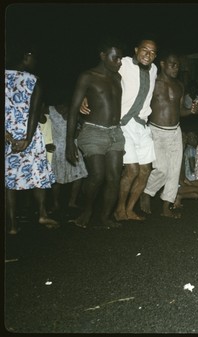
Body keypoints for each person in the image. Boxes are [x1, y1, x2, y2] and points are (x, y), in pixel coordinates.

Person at [81, 39, 159, 221]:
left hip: (142, 124)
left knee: (145, 170)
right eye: (144, 50)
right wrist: (86, 95)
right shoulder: (122, 63)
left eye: (153, 52)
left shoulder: (154, 69)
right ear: (136, 50)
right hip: (123, 124)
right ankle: (119, 209)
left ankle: (130, 209)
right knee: (131, 169)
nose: (148, 55)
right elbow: (99, 75)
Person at [66, 40, 125, 229]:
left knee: (115, 177)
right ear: (102, 55)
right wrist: (69, 142)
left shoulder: (116, 79)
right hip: (93, 131)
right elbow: (74, 110)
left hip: (115, 132)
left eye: (121, 58)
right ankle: (87, 209)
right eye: (115, 57)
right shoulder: (88, 76)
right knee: (97, 176)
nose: (119, 62)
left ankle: (105, 216)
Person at [139, 52, 198, 218]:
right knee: (161, 169)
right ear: (162, 64)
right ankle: (146, 192)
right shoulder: (152, 83)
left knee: (174, 171)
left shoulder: (179, 86)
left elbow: (179, 111)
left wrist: (191, 111)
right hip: (156, 130)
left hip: (175, 131)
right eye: (172, 64)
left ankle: (167, 206)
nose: (175, 68)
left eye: (177, 65)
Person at [5, 44, 59, 234]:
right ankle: (42, 214)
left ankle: (12, 225)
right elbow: (35, 112)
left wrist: (7, 135)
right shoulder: (34, 80)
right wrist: (27, 139)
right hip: (29, 133)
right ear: (27, 57)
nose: (35, 63)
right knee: (38, 174)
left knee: (8, 178)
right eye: (34, 58)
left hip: (7, 135)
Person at [48, 95, 88, 211]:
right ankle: (55, 203)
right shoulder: (49, 109)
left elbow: (85, 123)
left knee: (79, 174)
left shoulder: (74, 109)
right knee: (56, 177)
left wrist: (79, 132)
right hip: (57, 147)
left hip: (72, 145)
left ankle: (72, 202)